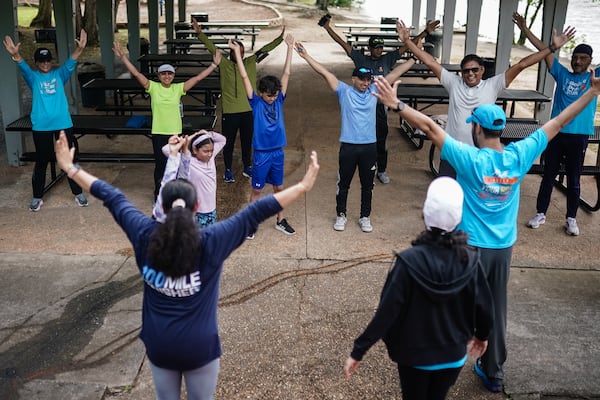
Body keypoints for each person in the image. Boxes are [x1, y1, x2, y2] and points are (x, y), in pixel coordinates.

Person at [372, 67, 600, 392]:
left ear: (477, 128)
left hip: (470, 248)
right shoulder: (520, 155)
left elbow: (427, 127)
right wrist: (592, 93)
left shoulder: (469, 159)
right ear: (501, 128)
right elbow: (560, 121)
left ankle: (444, 358)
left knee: (453, 303)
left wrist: (397, 105)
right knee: (496, 307)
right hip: (503, 248)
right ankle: (494, 372)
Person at [54, 130, 320, 400]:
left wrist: (70, 168)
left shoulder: (145, 234)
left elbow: (112, 197)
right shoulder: (211, 241)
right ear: (196, 208)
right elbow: (254, 212)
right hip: (199, 349)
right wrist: (302, 187)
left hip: (159, 346)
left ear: (162, 207)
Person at [343, 176, 494, 399]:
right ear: (459, 216)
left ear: (424, 212)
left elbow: (387, 312)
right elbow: (485, 307)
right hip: (452, 354)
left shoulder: (408, 262)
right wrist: (481, 336)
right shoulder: (471, 260)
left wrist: (359, 350)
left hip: (413, 356)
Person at [397, 19, 574, 177]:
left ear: (482, 70)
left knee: (474, 199)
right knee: (448, 198)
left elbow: (522, 64)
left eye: (475, 69)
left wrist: (551, 48)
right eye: (466, 70)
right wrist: (406, 41)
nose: (470, 74)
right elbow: (429, 61)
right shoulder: (453, 83)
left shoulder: (493, 85)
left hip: (479, 155)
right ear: (461, 72)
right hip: (452, 152)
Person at [294, 41, 415, 233]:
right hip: (349, 147)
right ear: (353, 79)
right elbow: (326, 73)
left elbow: (393, 75)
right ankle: (341, 215)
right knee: (344, 184)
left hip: (369, 147)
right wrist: (306, 56)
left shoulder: (374, 91)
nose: (365, 83)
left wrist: (414, 58)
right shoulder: (344, 92)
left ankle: (365, 217)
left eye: (368, 79)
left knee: (368, 185)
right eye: (361, 79)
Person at [321, 16, 441, 184]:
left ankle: (381, 170)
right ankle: (348, 169)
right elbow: (343, 43)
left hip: (379, 107)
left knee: (381, 140)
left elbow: (409, 44)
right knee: (354, 140)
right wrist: (328, 28)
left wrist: (426, 32)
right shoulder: (361, 59)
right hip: (360, 107)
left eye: (381, 47)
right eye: (376, 47)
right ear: (370, 48)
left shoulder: (388, 59)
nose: (379, 50)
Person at [513, 13, 600, 236]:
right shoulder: (561, 73)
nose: (578, 61)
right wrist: (525, 29)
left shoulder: (594, 78)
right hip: (555, 133)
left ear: (590, 61)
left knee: (574, 179)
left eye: (583, 58)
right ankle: (540, 213)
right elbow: (545, 50)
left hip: (579, 136)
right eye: (575, 57)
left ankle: (571, 218)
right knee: (548, 175)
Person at [112, 41, 221, 199]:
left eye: (170, 73)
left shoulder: (178, 89)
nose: (167, 76)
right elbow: (136, 74)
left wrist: (213, 65)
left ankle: (174, 194)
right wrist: (123, 57)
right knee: (161, 166)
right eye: (163, 73)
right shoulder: (153, 87)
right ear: (159, 76)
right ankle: (159, 194)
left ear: (173, 76)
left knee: (177, 166)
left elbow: (197, 78)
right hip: (158, 133)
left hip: (176, 134)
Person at [3, 31, 89, 212]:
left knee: (68, 159)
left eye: (48, 60)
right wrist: (15, 54)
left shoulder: (60, 75)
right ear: (37, 63)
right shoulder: (33, 77)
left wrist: (80, 49)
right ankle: (37, 196)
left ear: (51, 61)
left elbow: (71, 62)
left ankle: (78, 193)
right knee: (42, 160)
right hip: (41, 126)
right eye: (41, 61)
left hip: (63, 124)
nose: (45, 64)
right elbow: (23, 67)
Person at [193, 19, 285, 183]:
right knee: (227, 142)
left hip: (248, 110)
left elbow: (265, 49)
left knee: (247, 140)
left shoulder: (250, 62)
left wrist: (280, 39)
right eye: (237, 52)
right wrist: (200, 33)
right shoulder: (224, 63)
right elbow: (211, 47)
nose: (240, 55)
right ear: (231, 51)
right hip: (230, 111)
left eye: (242, 52)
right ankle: (228, 169)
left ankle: (247, 166)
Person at [229, 34, 296, 238]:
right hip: (261, 153)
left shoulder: (278, 100)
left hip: (277, 152)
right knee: (257, 191)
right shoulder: (256, 102)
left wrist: (290, 48)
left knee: (279, 187)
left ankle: (280, 219)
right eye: (269, 95)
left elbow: (286, 73)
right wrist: (237, 55)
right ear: (261, 93)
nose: (273, 98)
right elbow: (244, 77)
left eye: (275, 94)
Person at [153, 130, 227, 227]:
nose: (209, 154)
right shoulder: (187, 160)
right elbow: (166, 149)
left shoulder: (211, 157)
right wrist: (190, 138)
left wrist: (207, 133)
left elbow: (222, 140)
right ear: (195, 150)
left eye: (211, 151)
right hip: (196, 211)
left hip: (211, 210)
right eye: (205, 151)